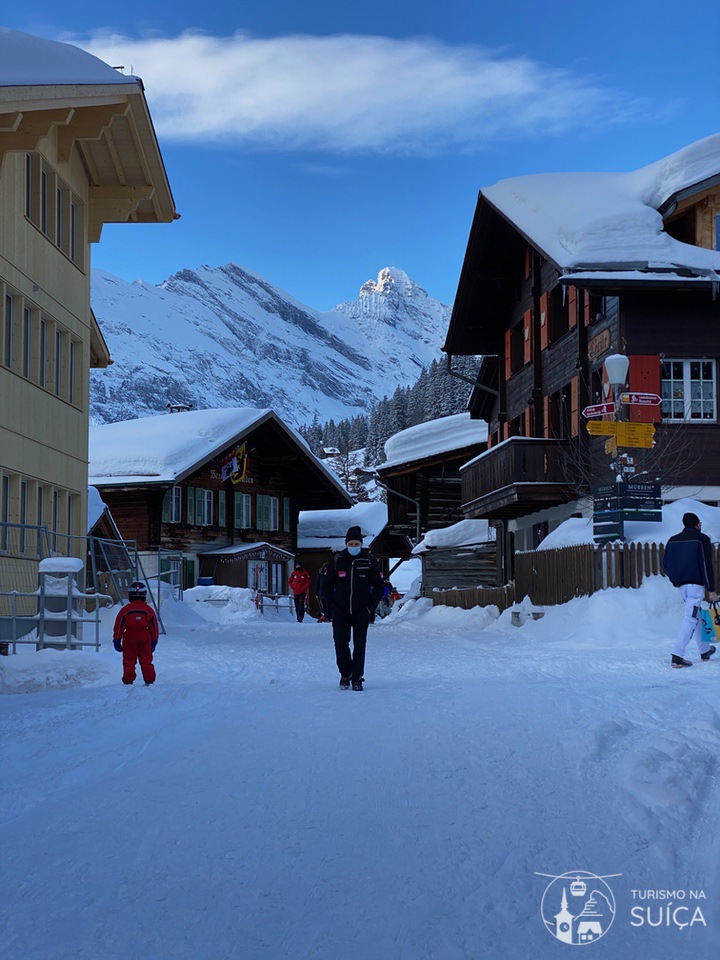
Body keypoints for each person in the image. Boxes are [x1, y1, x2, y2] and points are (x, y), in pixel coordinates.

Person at [325, 525, 384, 690]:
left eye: (356, 544)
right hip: (340, 611)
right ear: (346, 544)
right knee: (340, 644)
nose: (353, 547)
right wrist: (331, 606)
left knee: (360, 645)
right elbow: (326, 586)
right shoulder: (337, 560)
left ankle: (357, 677)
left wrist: (370, 607)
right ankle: (345, 673)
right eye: (350, 544)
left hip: (361, 611)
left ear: (361, 544)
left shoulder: (369, 561)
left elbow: (379, 586)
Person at [662, 512, 718, 668]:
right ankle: (677, 655)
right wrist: (712, 590)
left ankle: (704, 649)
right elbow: (707, 566)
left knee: (696, 614)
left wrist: (675, 579)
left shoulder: (673, 540)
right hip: (695, 585)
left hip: (682, 586)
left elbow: (665, 563)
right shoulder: (702, 539)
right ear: (697, 524)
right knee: (690, 618)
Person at [112, 581, 159, 685]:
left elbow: (119, 626)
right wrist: (154, 640)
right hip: (145, 637)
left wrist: (117, 639)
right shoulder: (148, 610)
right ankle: (149, 681)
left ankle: (128, 681)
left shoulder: (125, 610)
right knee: (146, 660)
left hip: (129, 637)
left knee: (128, 661)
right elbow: (154, 627)